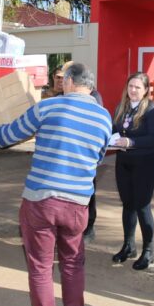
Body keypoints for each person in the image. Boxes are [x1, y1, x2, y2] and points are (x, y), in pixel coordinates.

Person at [0, 63, 111, 306]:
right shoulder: (104, 118)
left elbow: (7, 135)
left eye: (64, 79)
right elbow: (99, 158)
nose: (61, 83)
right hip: (78, 204)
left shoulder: (48, 107)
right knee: (73, 262)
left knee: (40, 266)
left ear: (72, 82)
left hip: (42, 200)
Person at [111, 72, 154, 271]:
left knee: (142, 206)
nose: (133, 90)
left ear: (146, 90)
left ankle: (149, 250)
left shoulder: (151, 109)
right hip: (124, 162)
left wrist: (131, 142)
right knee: (128, 204)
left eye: (137, 87)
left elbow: (153, 137)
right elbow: (115, 129)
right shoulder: (121, 107)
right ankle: (128, 246)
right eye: (130, 86)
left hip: (146, 164)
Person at [59, 60, 104, 243]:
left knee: (87, 195)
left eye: (63, 78)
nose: (61, 82)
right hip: (67, 156)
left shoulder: (94, 96)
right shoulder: (61, 96)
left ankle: (88, 227)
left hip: (84, 155)